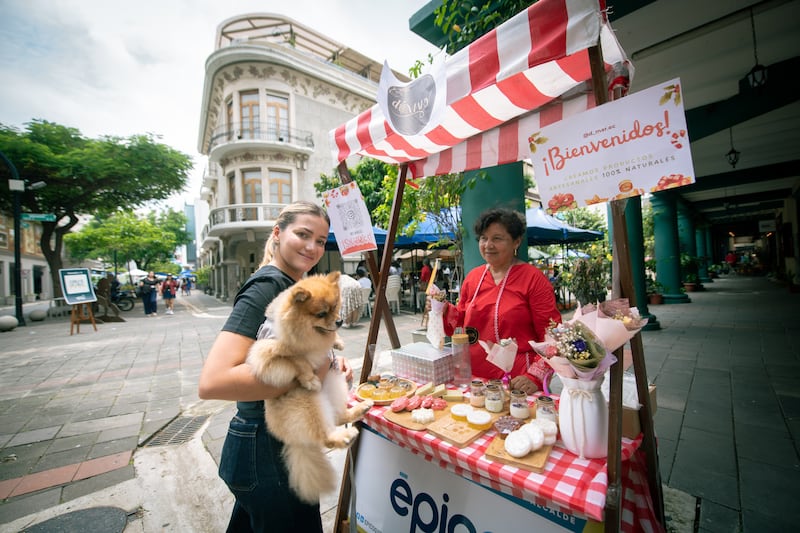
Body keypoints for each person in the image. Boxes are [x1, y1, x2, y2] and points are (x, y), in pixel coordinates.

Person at [197, 201, 353, 533]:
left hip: (267, 448)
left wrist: (329, 361)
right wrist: (316, 371)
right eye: (303, 234)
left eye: (321, 241)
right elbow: (214, 380)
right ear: (278, 233)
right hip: (265, 450)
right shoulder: (268, 285)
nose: (312, 247)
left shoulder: (292, 285)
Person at [428, 208, 561, 395]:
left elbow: (552, 336)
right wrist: (442, 309)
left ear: (516, 241)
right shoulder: (474, 277)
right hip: (475, 380)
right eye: (484, 238)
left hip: (518, 382)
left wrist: (534, 376)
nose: (488, 245)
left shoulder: (533, 279)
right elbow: (460, 326)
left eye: (497, 238)